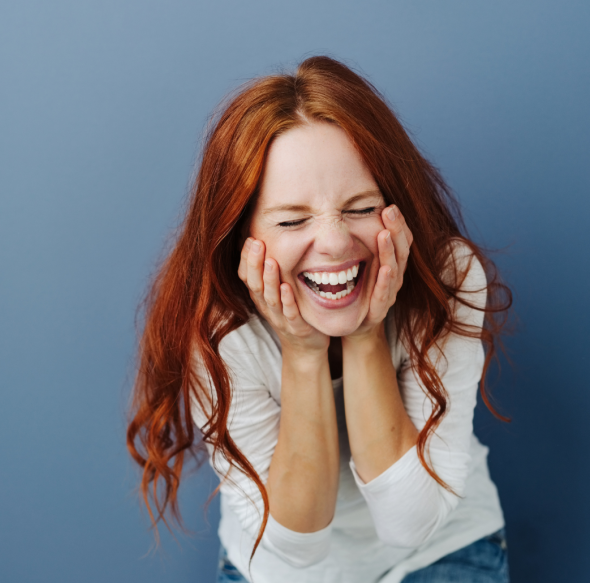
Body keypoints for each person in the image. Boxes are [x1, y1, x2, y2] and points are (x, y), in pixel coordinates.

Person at [126, 56, 512, 583]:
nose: (333, 242)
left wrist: (365, 332)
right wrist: (305, 352)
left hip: (442, 550)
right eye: (291, 219)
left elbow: (409, 523)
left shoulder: (447, 276)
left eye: (360, 208)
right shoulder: (216, 328)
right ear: (242, 235)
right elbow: (295, 549)